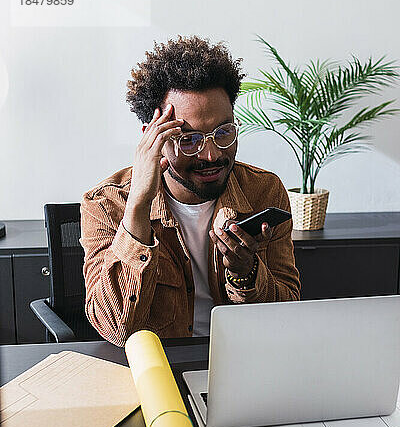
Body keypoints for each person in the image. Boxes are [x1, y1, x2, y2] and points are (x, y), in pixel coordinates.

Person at [80, 35, 300, 346]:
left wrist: (246, 273)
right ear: (152, 138)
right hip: (160, 370)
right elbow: (116, 329)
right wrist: (139, 207)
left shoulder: (264, 191)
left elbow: (288, 313)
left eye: (223, 132)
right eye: (189, 139)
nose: (211, 155)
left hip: (243, 357)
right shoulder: (106, 204)